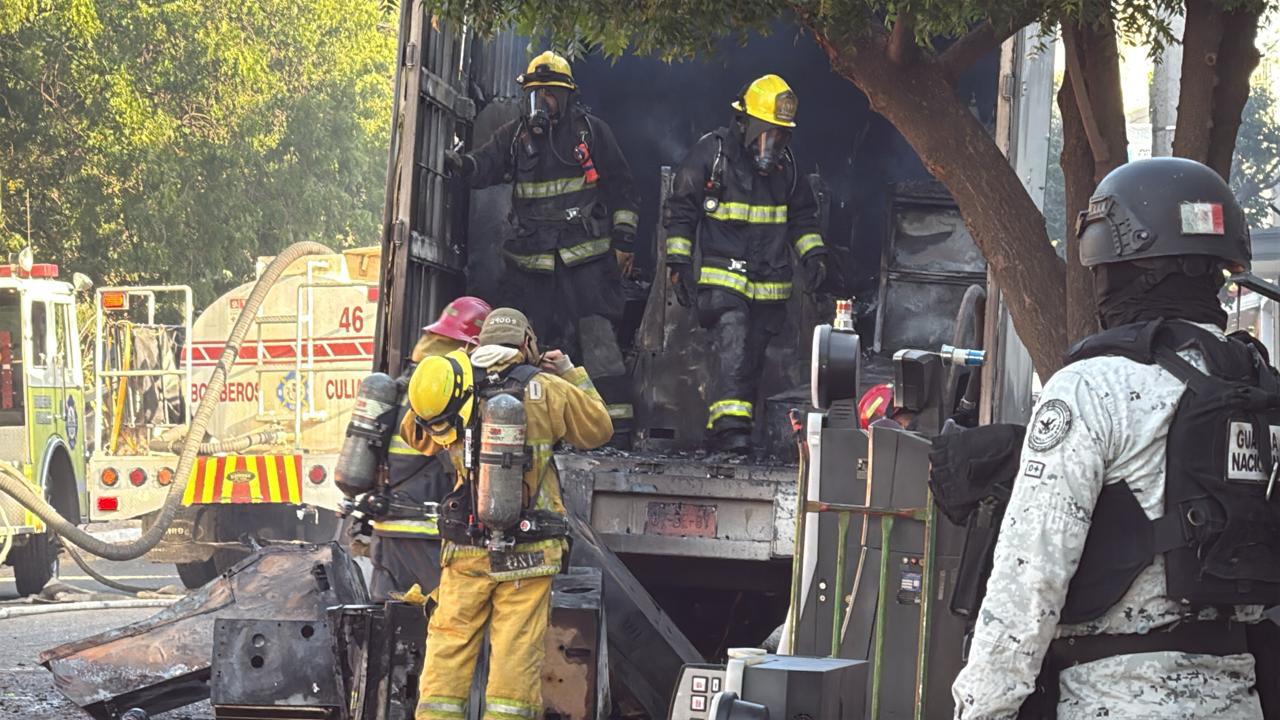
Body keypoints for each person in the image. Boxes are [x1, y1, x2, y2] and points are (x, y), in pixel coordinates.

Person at [952, 157, 1274, 719]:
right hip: (1240, 699)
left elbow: (1030, 576)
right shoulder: (1262, 390)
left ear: (1128, 267)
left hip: (1115, 700)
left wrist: (981, 709)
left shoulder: (1092, 388)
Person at [403, 308, 613, 720]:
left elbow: (416, 435)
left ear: (478, 344)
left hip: (466, 546)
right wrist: (571, 372)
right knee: (515, 656)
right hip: (530, 552)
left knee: (449, 645)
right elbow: (599, 429)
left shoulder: (457, 383)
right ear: (526, 344)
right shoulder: (548, 388)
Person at [446, 51, 638, 448]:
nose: (543, 101)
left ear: (567, 96)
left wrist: (624, 241)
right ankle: (538, 431)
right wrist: (461, 166)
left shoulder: (591, 133)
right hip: (531, 267)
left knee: (599, 342)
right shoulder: (514, 137)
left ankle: (616, 435)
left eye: (551, 93)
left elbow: (623, 187)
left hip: (585, 264)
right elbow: (485, 164)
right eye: (536, 93)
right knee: (532, 349)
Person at [664, 74, 827, 454]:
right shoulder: (713, 154)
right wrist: (678, 261)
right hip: (725, 282)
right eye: (766, 133)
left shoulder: (788, 170)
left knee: (747, 360)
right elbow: (682, 210)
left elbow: (803, 217)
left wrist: (814, 254)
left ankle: (720, 428)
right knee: (733, 337)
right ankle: (733, 431)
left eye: (781, 135)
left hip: (769, 286)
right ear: (745, 124)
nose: (773, 144)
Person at [367, 297, 491, 602]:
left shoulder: (401, 385)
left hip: (386, 530)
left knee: (383, 625)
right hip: (428, 535)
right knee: (437, 626)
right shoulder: (449, 393)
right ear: (469, 347)